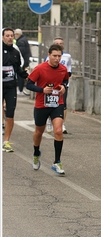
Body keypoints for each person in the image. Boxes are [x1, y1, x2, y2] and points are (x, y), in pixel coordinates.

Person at [26, 44, 69, 175]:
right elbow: (28, 84)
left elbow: (65, 81)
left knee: (58, 131)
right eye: (54, 56)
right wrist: (42, 90)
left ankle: (57, 162)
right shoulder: (40, 68)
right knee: (39, 132)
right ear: (49, 55)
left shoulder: (63, 69)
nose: (57, 58)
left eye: (59, 56)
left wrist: (63, 87)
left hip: (57, 104)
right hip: (41, 104)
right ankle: (36, 152)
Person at [2, 27, 29, 152]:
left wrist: (28, 77)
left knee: (10, 115)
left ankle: (6, 141)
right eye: (7, 35)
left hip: (11, 87)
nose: (9, 38)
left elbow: (18, 69)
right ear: (2, 37)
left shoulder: (15, 52)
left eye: (11, 36)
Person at [45, 37, 72, 134]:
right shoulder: (49, 56)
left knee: (63, 104)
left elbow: (69, 71)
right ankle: (49, 121)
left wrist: (63, 82)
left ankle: (62, 123)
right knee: (50, 103)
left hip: (62, 84)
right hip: (51, 84)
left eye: (61, 43)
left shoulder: (67, 56)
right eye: (57, 43)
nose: (59, 45)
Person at [14, 28, 31, 96]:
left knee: (20, 75)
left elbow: (20, 52)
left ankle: (20, 89)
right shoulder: (23, 39)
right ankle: (21, 89)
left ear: (18, 34)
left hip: (22, 61)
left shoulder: (21, 41)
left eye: (15, 34)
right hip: (25, 60)